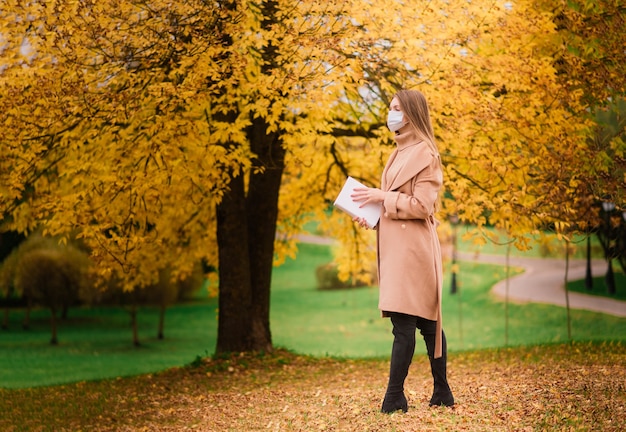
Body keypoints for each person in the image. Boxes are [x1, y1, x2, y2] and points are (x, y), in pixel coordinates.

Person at [351, 89, 454, 413]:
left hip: (415, 251)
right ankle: (442, 392)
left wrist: (381, 198)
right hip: (399, 248)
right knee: (423, 323)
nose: (390, 113)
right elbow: (397, 204)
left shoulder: (425, 154)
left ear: (410, 113)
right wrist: (374, 217)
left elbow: (422, 205)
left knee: (412, 323)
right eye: (389, 107)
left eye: (395, 108)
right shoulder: (398, 152)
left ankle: (395, 397)